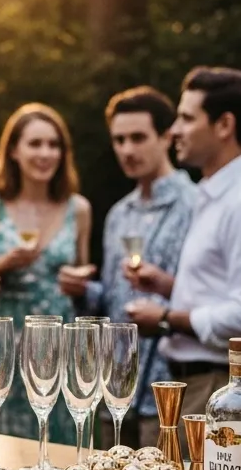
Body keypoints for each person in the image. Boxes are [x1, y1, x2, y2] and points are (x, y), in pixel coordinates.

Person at [124, 66, 241, 416]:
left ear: (224, 125)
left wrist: (168, 318)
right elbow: (223, 292)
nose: (174, 131)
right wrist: (169, 285)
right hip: (205, 385)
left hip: (228, 390)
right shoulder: (216, 194)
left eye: (186, 118)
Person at [58, 86, 195, 447]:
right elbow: (111, 299)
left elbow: (209, 294)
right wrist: (83, 290)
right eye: (119, 139)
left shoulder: (195, 205)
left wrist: (165, 288)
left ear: (166, 137)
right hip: (114, 386)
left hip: (169, 388)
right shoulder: (120, 213)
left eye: (138, 137)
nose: (127, 150)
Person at [0, 103, 91, 443]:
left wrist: (80, 282)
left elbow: (84, 275)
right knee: (4, 444)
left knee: (63, 445)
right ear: (14, 151)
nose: (45, 153)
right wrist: (1, 265)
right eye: (35, 144)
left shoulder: (78, 209)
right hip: (3, 346)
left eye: (54, 145)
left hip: (60, 347)